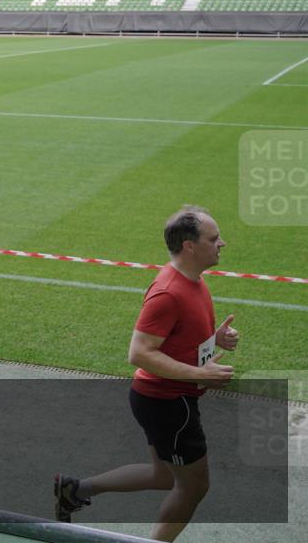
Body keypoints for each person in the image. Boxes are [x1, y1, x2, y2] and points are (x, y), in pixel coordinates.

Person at [54, 206, 240, 542]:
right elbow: (138, 353)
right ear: (190, 246)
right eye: (214, 239)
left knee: (163, 475)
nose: (221, 244)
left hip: (164, 399)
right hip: (169, 404)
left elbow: (178, 341)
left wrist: (216, 340)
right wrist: (201, 374)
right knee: (194, 486)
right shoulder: (168, 293)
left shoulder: (194, 281)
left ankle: (76, 488)